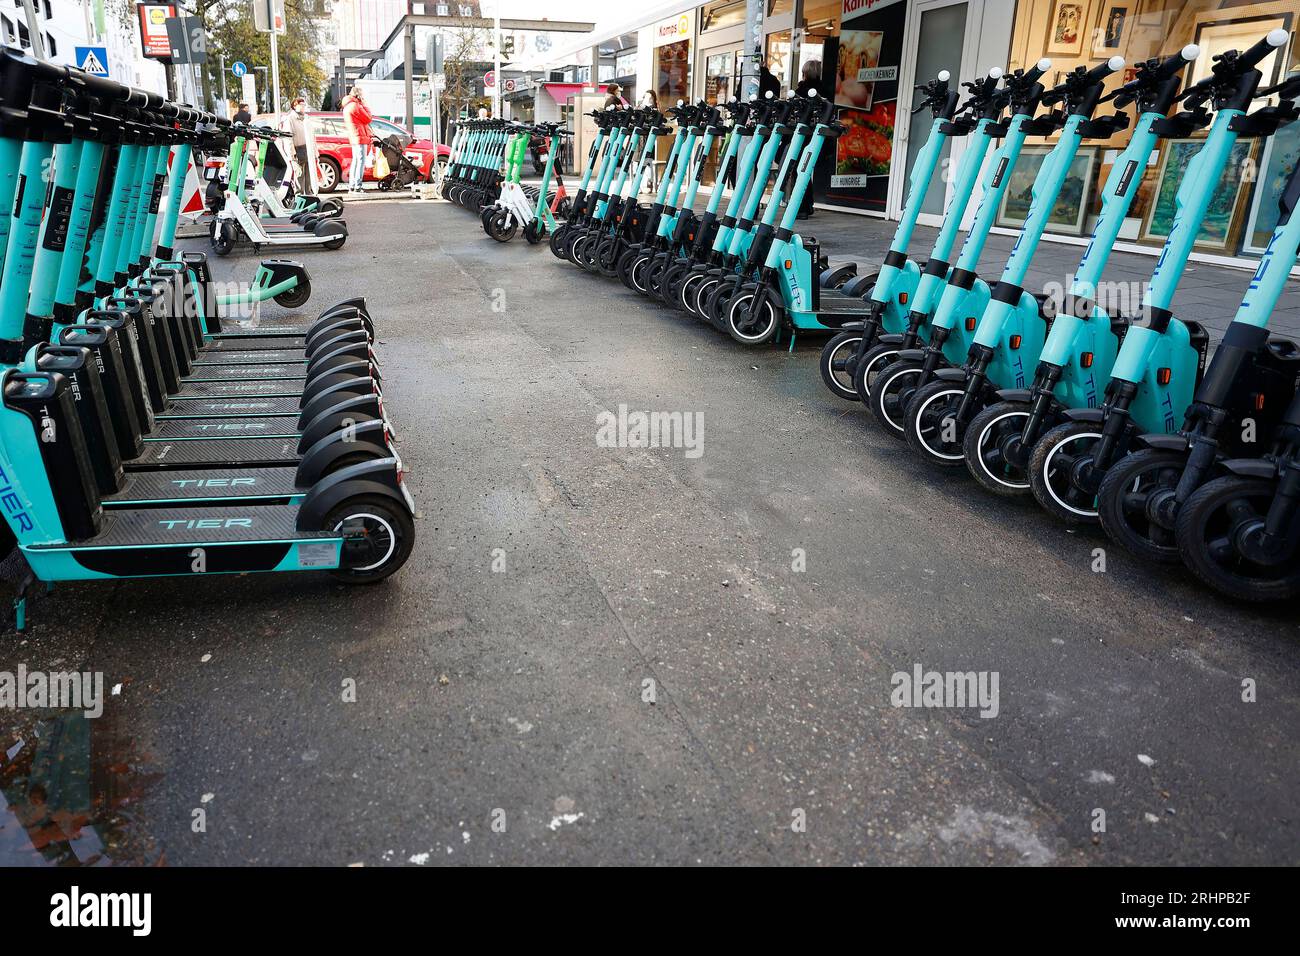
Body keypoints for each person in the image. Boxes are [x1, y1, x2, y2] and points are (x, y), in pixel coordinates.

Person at [341, 85, 373, 193]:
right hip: (360, 136)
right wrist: (365, 105)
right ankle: (357, 186)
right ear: (359, 94)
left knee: (355, 161)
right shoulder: (356, 106)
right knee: (360, 161)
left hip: (354, 136)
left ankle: (352, 185)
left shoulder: (347, 106)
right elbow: (368, 118)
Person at [287, 96, 313, 196]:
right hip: (298, 149)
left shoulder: (306, 118)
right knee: (299, 174)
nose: (303, 107)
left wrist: (315, 151)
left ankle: (309, 194)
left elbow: (312, 135)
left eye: (304, 105)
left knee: (309, 174)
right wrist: (292, 152)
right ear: (295, 106)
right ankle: (299, 195)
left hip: (307, 149)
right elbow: (288, 137)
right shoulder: (290, 119)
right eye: (301, 105)